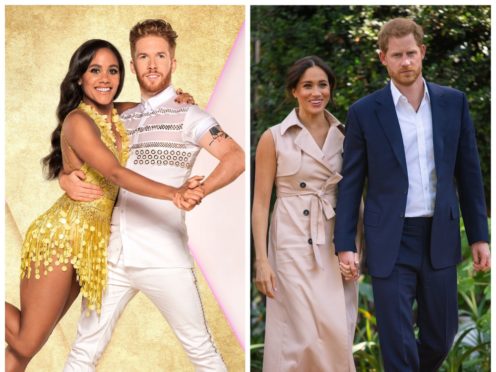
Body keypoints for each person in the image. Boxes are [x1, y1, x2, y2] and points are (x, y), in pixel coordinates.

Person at [5, 39, 204, 372]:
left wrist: (180, 100)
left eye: (113, 70)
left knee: (28, 346)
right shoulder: (77, 121)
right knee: (27, 340)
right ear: (79, 77)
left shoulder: (120, 113)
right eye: (94, 70)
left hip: (94, 243)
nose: (105, 78)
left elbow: (154, 108)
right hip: (62, 237)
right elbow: (114, 171)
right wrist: (173, 192)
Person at [59, 19, 244, 371]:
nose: (153, 64)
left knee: (202, 352)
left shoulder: (190, 114)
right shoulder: (117, 116)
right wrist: (66, 178)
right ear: (132, 65)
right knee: (83, 352)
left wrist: (200, 190)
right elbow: (75, 146)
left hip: (164, 255)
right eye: (144, 57)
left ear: (173, 62)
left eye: (161, 56)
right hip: (111, 257)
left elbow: (235, 157)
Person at [334, 18, 490, 372]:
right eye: (396, 55)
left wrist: (480, 236)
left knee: (441, 335)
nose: (405, 62)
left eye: (410, 54)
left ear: (422, 52)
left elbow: (469, 173)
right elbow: (351, 182)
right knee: (396, 337)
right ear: (382, 58)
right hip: (390, 236)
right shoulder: (364, 112)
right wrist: (345, 242)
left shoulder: (453, 103)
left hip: (440, 233)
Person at [252, 56, 359, 372]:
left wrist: (354, 247)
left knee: (336, 329)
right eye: (308, 85)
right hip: (291, 241)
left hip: (335, 240)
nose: (317, 92)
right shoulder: (274, 138)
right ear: (294, 91)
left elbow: (355, 197)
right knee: (300, 337)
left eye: (322, 85)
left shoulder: (347, 136)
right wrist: (261, 260)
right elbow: (260, 203)